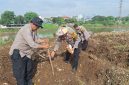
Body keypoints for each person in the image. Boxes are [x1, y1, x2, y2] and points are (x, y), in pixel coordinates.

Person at [9, 17, 49, 85]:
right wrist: (43, 46)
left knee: (28, 70)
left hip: (27, 53)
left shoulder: (33, 30)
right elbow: (32, 44)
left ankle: (28, 82)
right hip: (18, 53)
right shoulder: (26, 29)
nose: (38, 28)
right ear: (33, 24)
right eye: (37, 26)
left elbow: (36, 39)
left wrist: (43, 40)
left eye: (39, 27)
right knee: (20, 73)